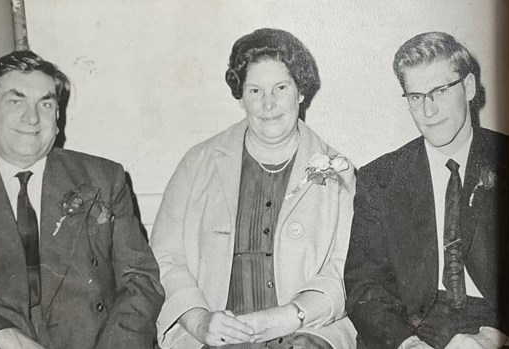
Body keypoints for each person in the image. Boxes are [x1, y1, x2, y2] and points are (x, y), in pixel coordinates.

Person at [150, 28, 357, 349]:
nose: (269, 104)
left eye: (281, 88)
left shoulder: (338, 171)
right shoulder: (197, 163)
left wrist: (292, 316)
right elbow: (165, 257)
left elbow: (345, 267)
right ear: (241, 95)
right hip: (216, 335)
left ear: (300, 92)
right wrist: (200, 320)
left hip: (307, 331)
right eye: (255, 91)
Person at [0, 50, 164, 349]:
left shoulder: (102, 178)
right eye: (16, 101)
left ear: (57, 115)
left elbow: (140, 280)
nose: (32, 117)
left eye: (46, 103)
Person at [344, 31, 509, 349]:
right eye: (416, 96)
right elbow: (365, 285)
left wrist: (497, 336)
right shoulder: (379, 178)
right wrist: (407, 344)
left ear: (468, 87)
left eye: (440, 91)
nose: (428, 111)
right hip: (412, 325)